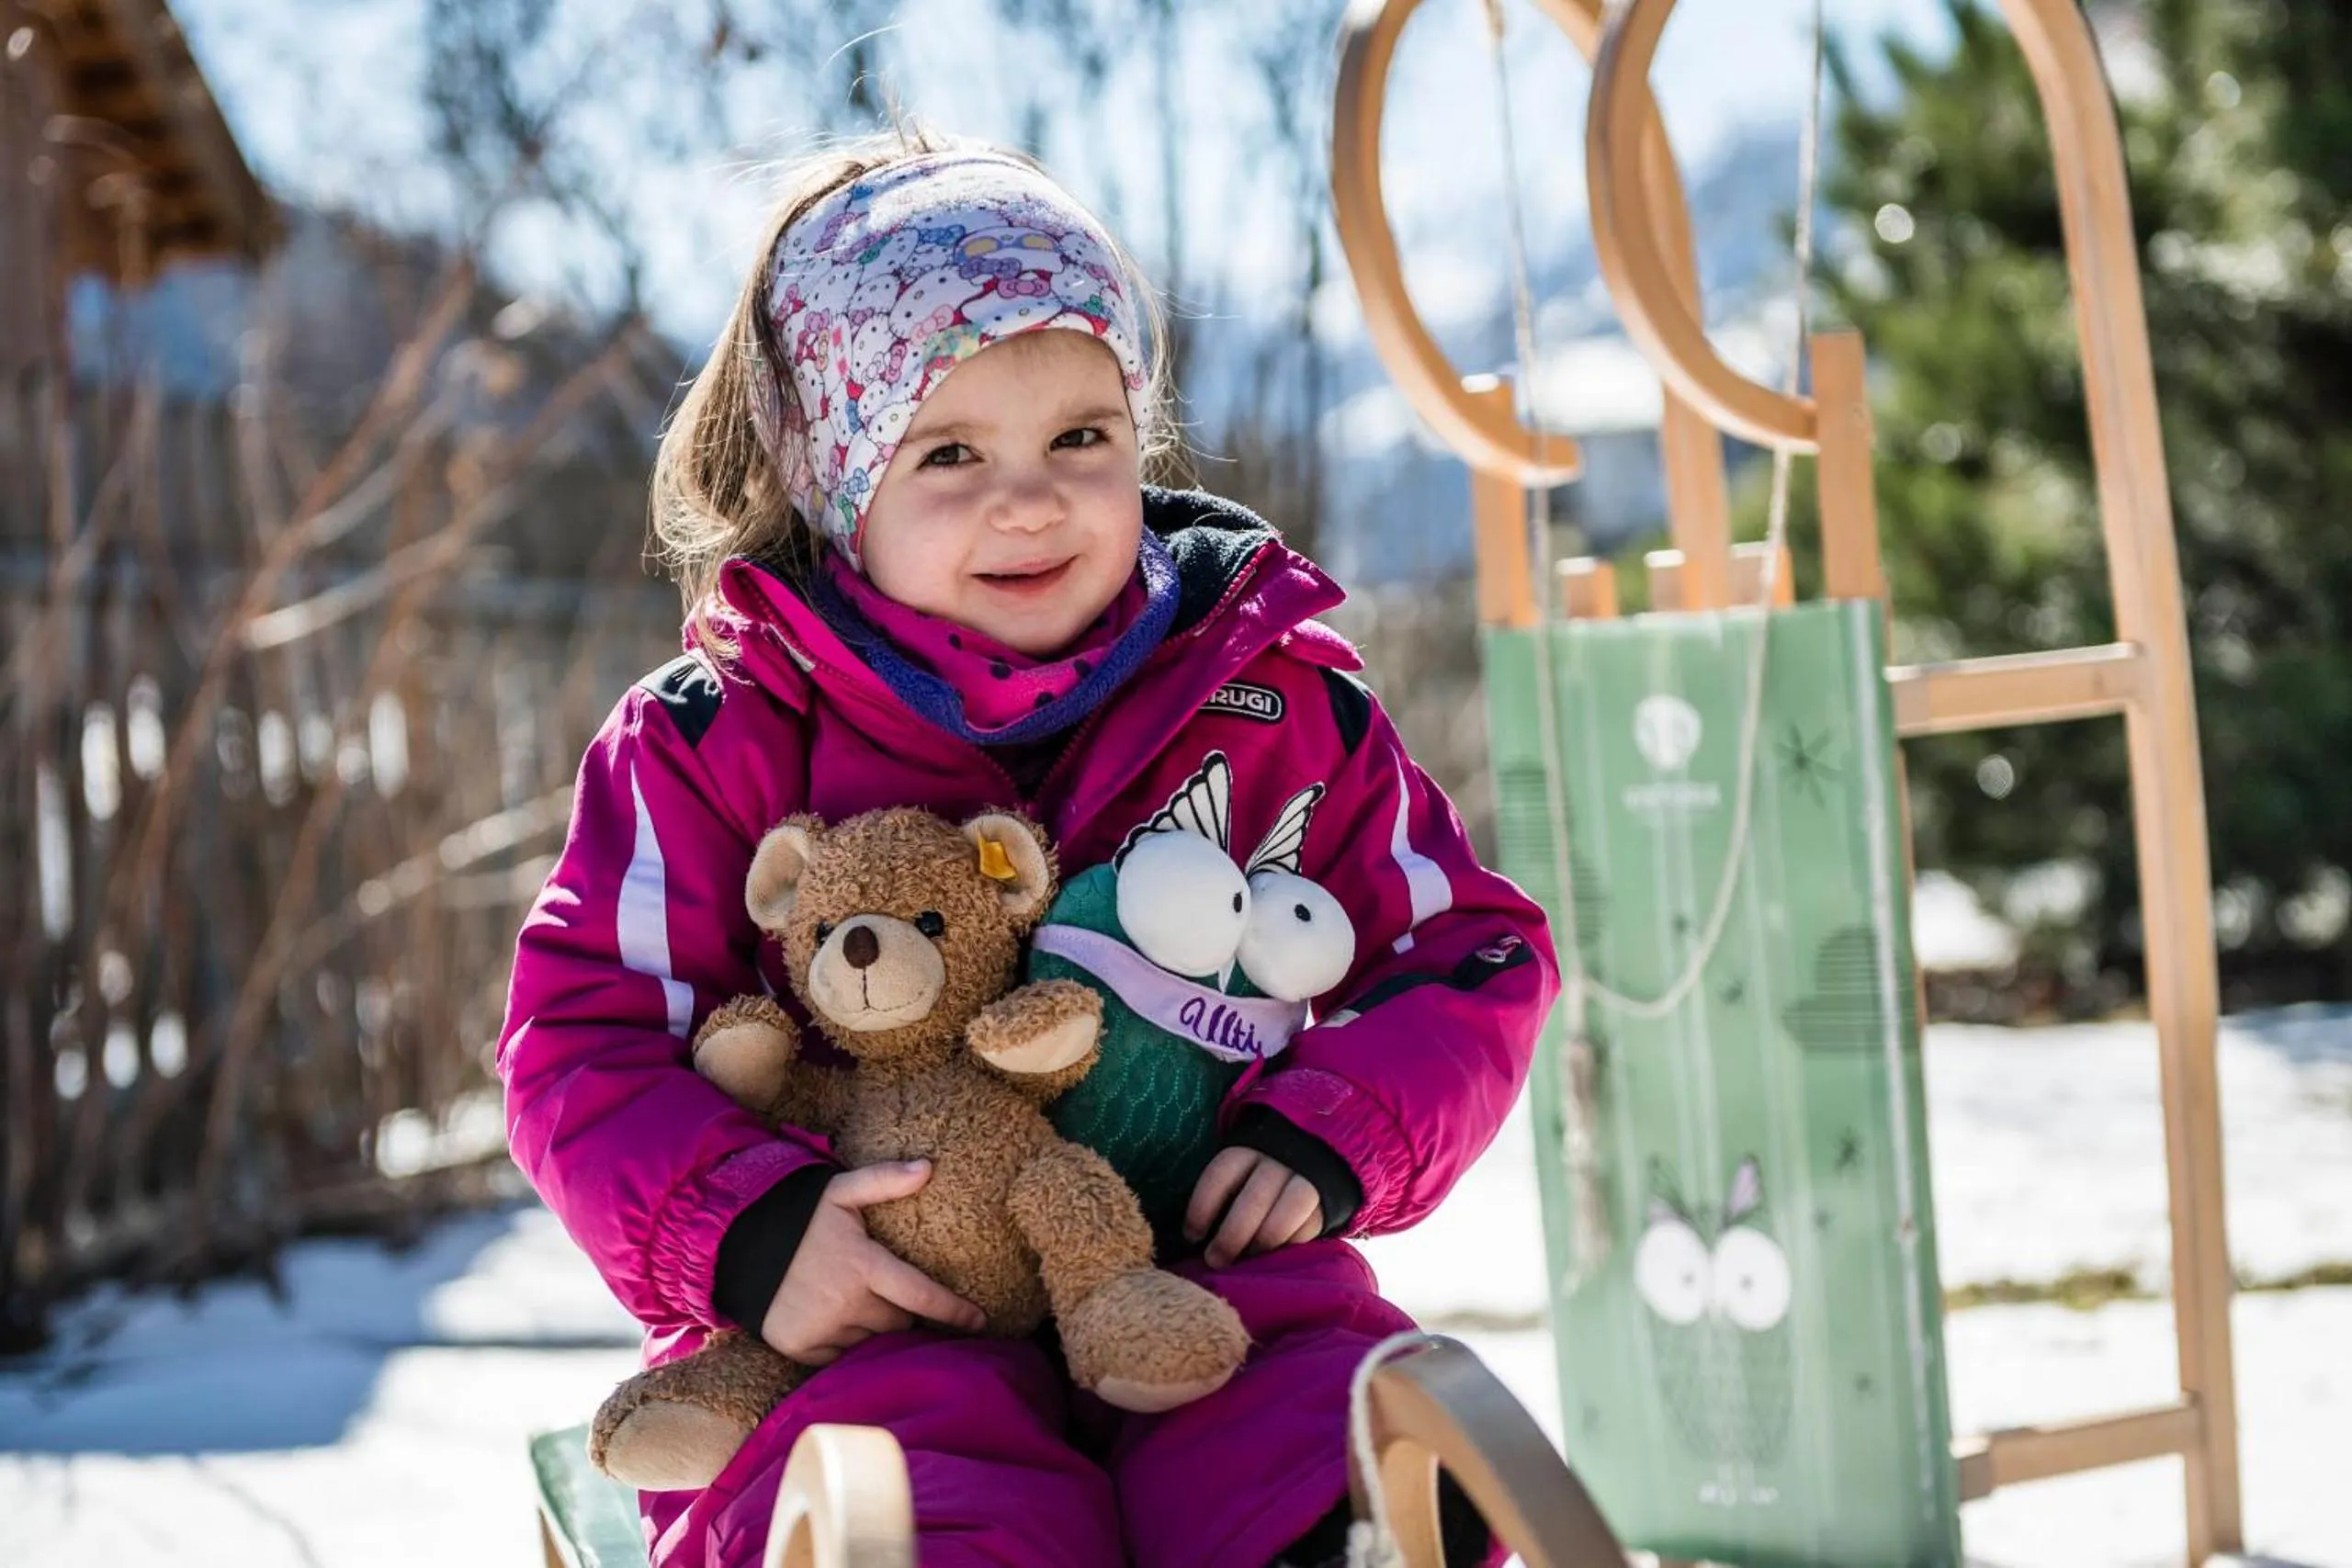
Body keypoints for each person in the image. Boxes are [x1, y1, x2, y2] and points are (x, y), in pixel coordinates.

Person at [497, 127, 1555, 1568]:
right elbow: (581, 1037)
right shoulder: (714, 739)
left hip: (1200, 1280)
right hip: (868, 1313)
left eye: (1080, 437)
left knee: (1316, 1435)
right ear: (834, 479)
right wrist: (751, 1232)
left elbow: (1470, 950)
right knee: (933, 1494)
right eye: (948, 452)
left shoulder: (1271, 698)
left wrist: (1336, 1123)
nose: (1032, 496)